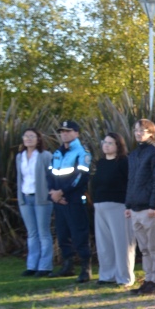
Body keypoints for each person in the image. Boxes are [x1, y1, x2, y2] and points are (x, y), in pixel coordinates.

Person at [125, 119, 155, 295]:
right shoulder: (134, 154)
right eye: (136, 130)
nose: (138, 133)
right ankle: (148, 279)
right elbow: (131, 180)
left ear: (151, 133)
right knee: (144, 248)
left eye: (142, 130)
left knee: (153, 246)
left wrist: (154, 205)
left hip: (149, 208)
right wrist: (128, 204)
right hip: (135, 208)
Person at [48, 120, 92, 282]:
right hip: (59, 201)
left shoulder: (82, 152)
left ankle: (86, 268)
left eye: (68, 131)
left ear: (76, 133)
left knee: (79, 233)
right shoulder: (58, 153)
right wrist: (53, 193)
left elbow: (81, 177)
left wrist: (62, 192)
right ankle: (68, 266)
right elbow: (51, 175)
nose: (64, 134)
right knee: (62, 234)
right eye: (62, 131)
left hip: (74, 200)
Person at [92, 133, 134, 287]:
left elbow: (130, 184)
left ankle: (124, 277)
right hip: (100, 206)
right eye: (105, 142)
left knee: (122, 243)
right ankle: (107, 275)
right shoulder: (101, 163)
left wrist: (129, 205)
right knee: (104, 244)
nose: (106, 145)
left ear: (118, 145)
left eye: (110, 143)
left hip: (119, 206)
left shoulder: (124, 162)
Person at [16, 128, 54, 277]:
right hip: (25, 197)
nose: (29, 139)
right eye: (26, 136)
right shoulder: (20, 157)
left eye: (32, 136)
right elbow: (20, 178)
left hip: (41, 199)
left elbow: (52, 177)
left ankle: (45, 266)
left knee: (43, 232)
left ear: (38, 139)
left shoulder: (45, 156)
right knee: (32, 233)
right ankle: (32, 265)